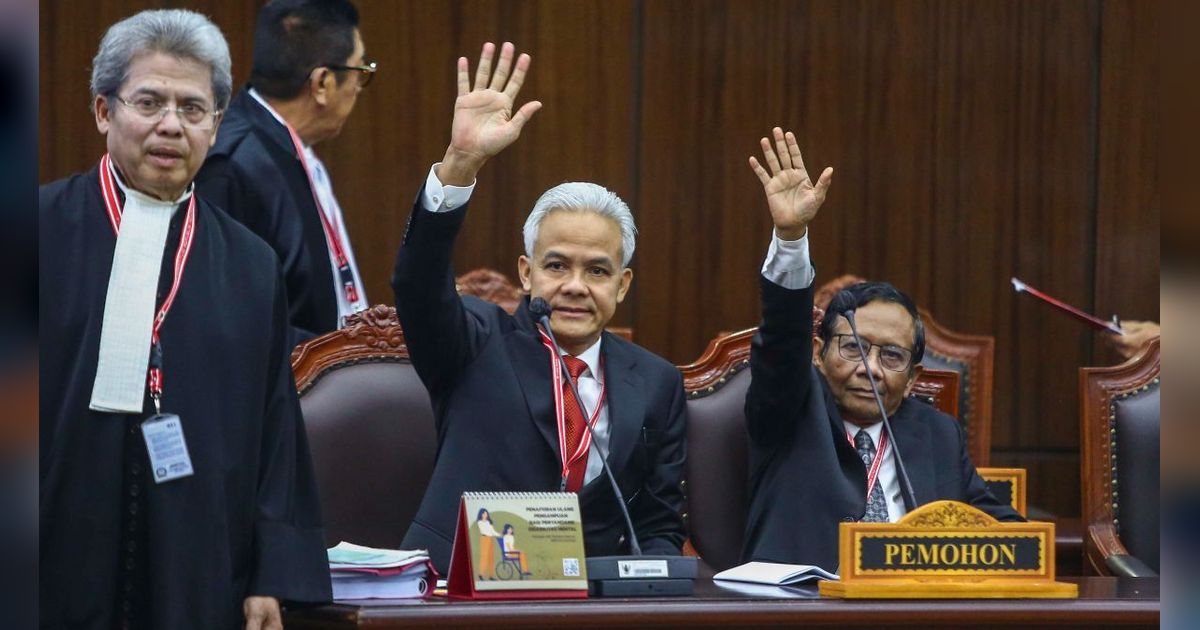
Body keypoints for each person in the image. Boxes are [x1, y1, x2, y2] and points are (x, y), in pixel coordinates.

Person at [40, 10, 330, 629]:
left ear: (217, 124)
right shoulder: (34, 232)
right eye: (149, 102)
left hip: (199, 560)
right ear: (103, 112)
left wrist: (271, 576)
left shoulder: (252, 265)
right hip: (50, 550)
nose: (171, 125)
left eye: (193, 109)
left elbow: (276, 431)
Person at [392, 42, 687, 573]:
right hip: (460, 590)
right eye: (556, 266)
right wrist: (460, 164)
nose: (575, 286)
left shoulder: (657, 382)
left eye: (597, 271)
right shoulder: (476, 342)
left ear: (622, 286)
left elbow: (659, 527)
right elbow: (416, 285)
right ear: (526, 274)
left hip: (589, 601)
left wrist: (647, 588)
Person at [740, 127, 1021, 571]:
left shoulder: (939, 435)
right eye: (853, 348)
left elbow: (1003, 532)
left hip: (912, 607)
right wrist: (791, 237)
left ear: (912, 379)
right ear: (817, 353)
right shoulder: (788, 411)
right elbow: (780, 341)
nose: (869, 369)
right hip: (805, 608)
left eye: (891, 357)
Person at [196, 0, 373, 345]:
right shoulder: (230, 166)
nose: (359, 87)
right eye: (360, 71)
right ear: (322, 83)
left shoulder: (289, 147)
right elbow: (228, 321)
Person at [475, 508, 499, 580]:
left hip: (491, 539)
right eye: (484, 513)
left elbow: (492, 531)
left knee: (491, 558)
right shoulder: (480, 522)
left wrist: (499, 535)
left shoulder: (488, 522)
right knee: (484, 557)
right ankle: (481, 574)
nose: (485, 515)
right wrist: (491, 532)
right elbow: (486, 531)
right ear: (481, 514)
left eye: (486, 513)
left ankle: (491, 576)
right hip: (484, 539)